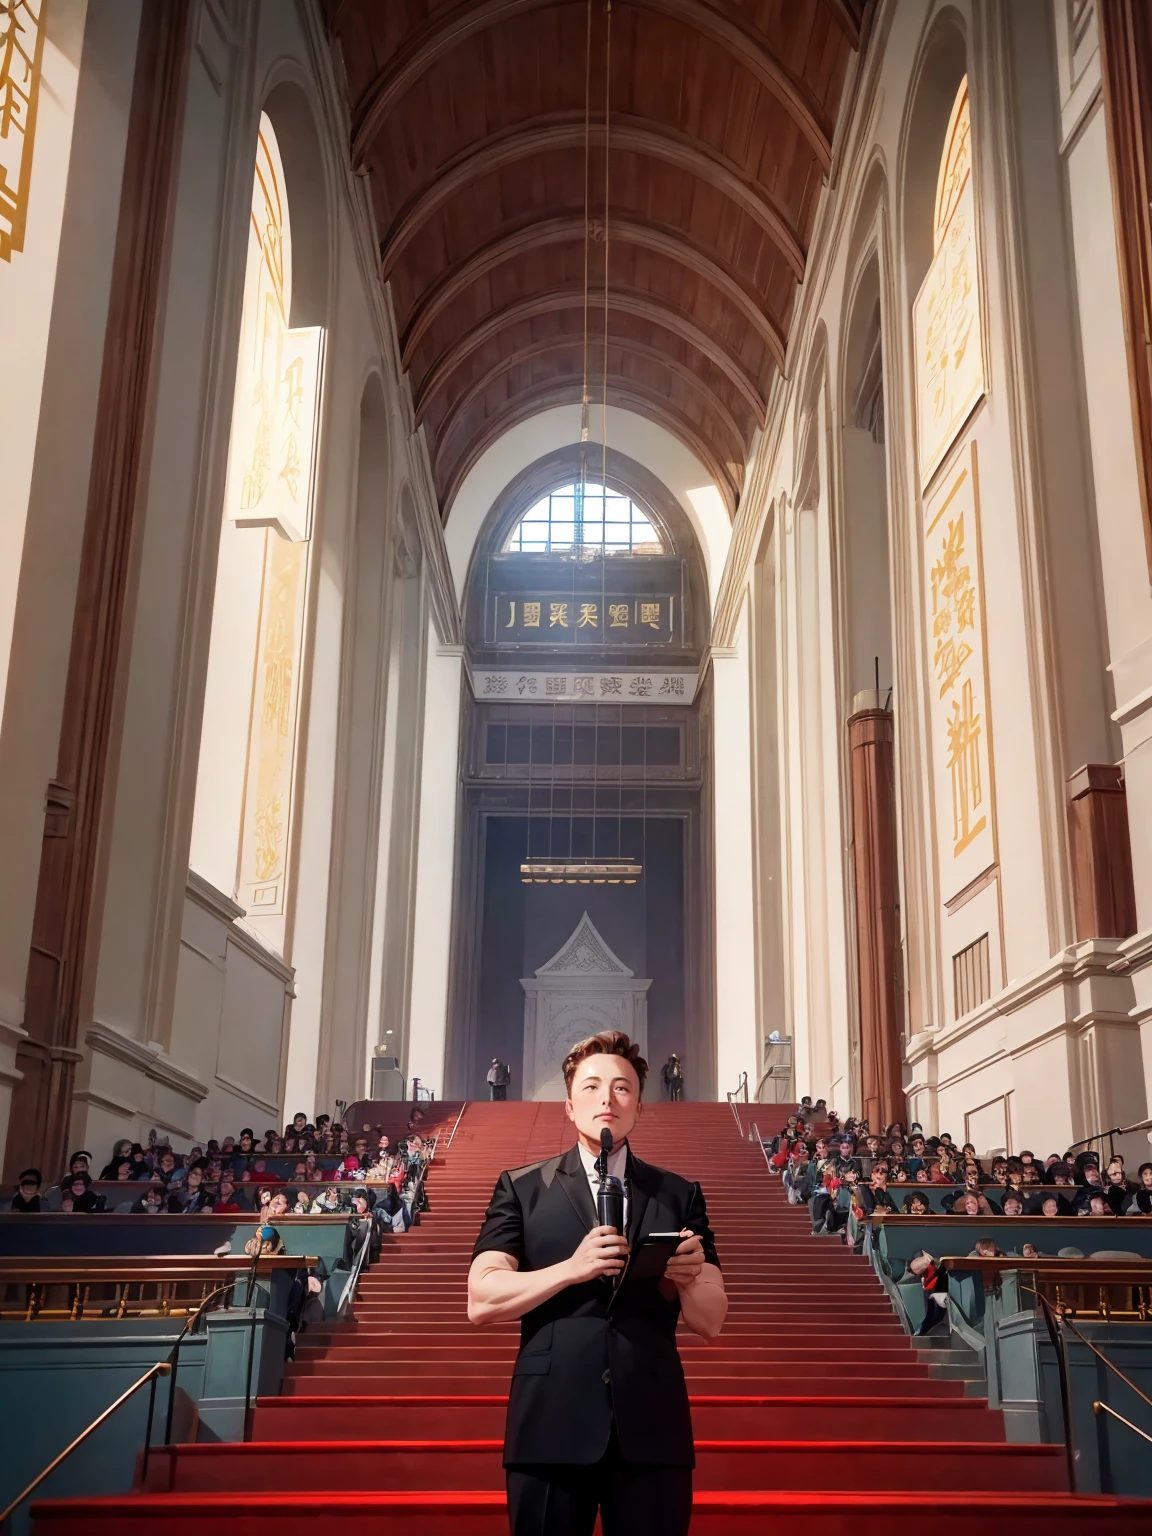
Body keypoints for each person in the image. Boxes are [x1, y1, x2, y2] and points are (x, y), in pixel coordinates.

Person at [468, 1030, 725, 1536]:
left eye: (622, 1088)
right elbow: (481, 1298)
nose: (606, 1098)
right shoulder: (521, 1187)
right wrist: (571, 1268)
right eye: (591, 1087)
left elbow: (711, 1321)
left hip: (653, 1426)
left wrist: (690, 1277)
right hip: (548, 1425)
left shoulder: (678, 1194)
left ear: (639, 1107)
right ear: (568, 1105)